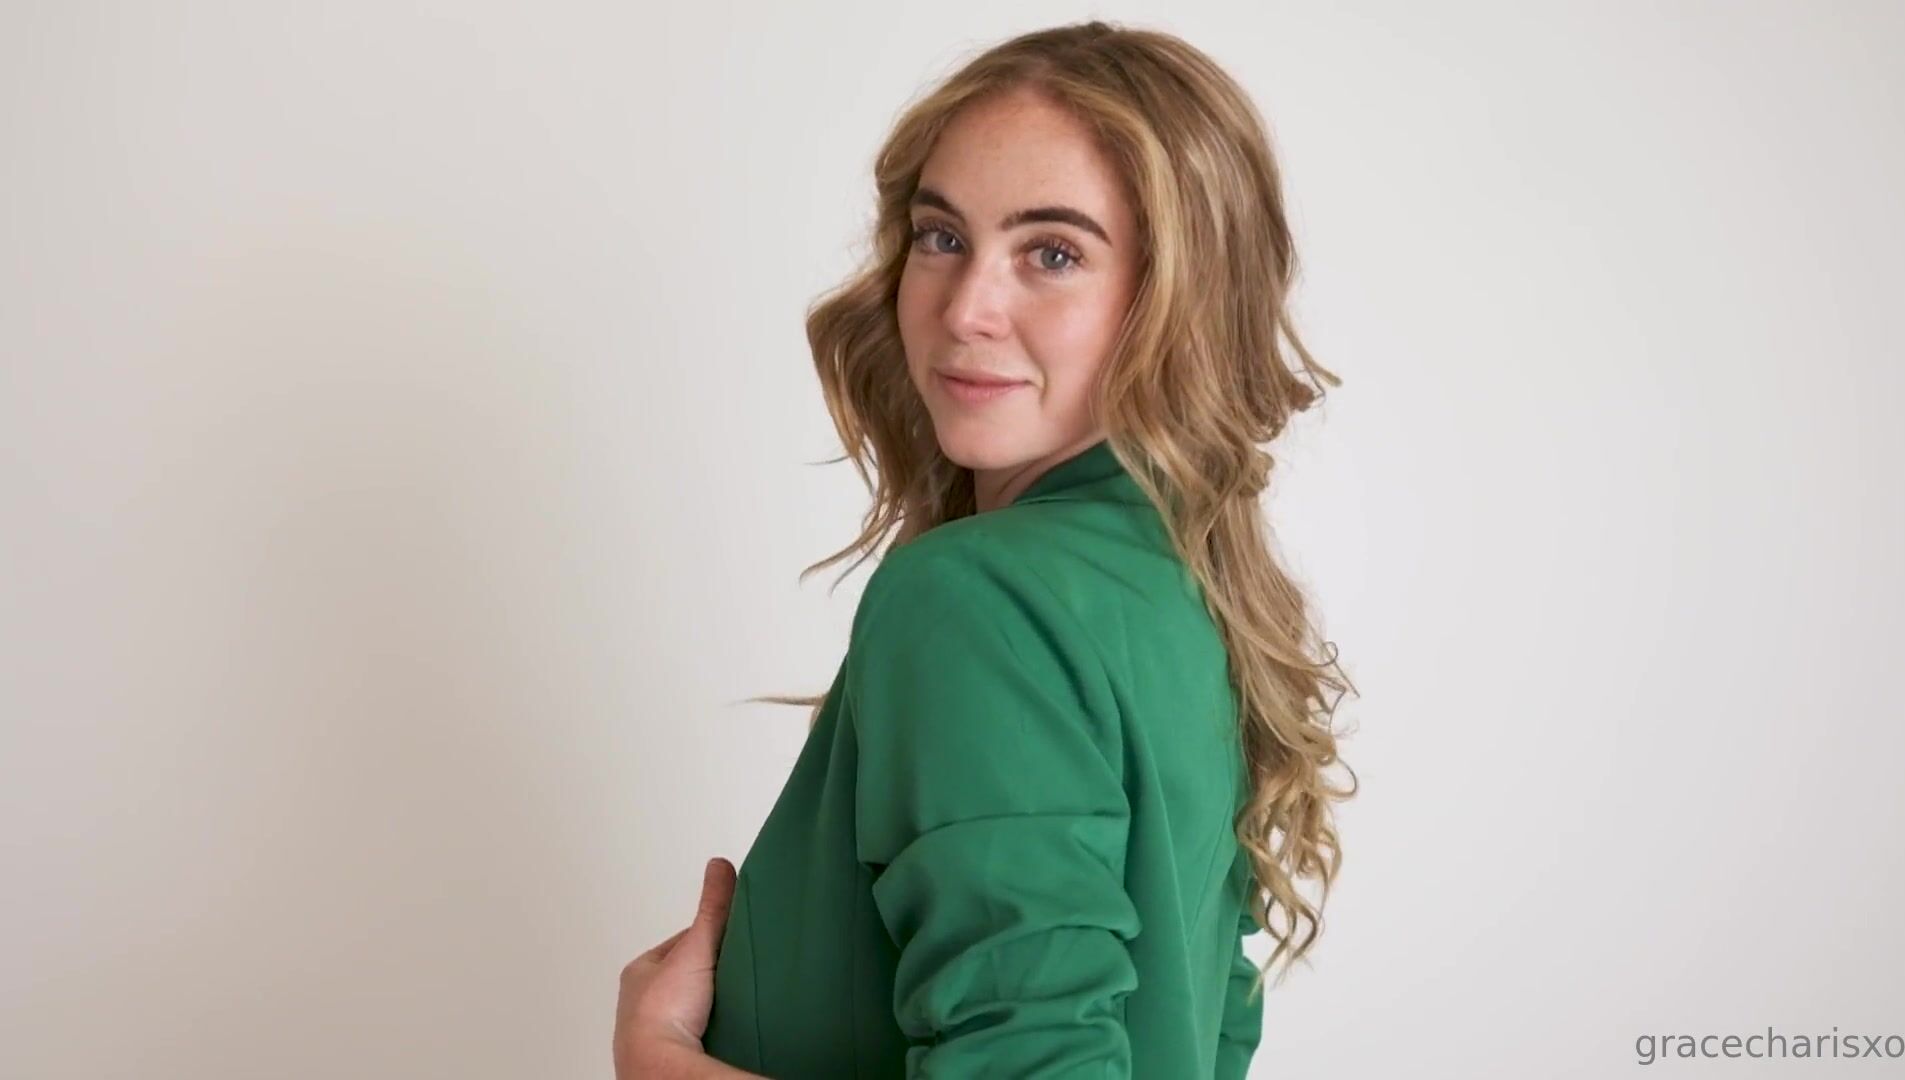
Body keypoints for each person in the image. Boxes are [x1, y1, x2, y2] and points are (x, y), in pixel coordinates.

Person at [614, 18, 1357, 1079]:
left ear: (1175, 300)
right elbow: (1210, 1032)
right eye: (941, 237)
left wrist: (656, 1061)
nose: (966, 309)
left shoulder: (975, 596)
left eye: (1052, 253)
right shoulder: (1185, 587)